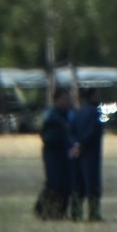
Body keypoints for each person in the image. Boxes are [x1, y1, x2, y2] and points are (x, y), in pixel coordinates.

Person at [36, 88, 78, 220]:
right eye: (66, 98)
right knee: (54, 184)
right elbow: (46, 135)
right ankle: (42, 210)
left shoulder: (70, 114)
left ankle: (60, 212)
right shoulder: (51, 115)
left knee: (66, 185)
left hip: (66, 154)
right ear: (58, 100)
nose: (69, 101)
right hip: (53, 154)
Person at [70, 88, 105, 221]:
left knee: (78, 185)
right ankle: (94, 213)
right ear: (92, 96)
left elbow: (71, 130)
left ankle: (76, 212)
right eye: (98, 95)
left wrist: (76, 144)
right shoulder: (95, 112)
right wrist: (82, 144)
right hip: (91, 154)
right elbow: (92, 131)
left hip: (78, 153)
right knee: (93, 185)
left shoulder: (77, 112)